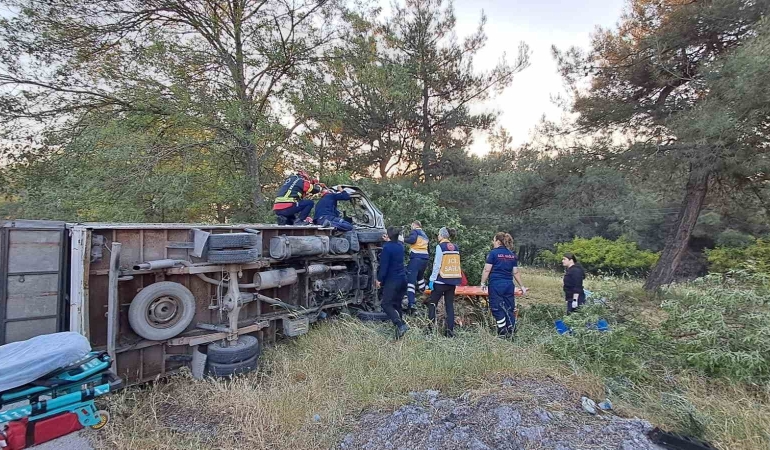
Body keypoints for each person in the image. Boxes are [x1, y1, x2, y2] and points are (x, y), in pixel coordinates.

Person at [480, 233, 527, 336]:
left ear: (498, 241)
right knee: (509, 308)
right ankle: (511, 330)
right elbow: (515, 272)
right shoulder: (512, 255)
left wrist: (482, 283)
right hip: (509, 285)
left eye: (493, 240)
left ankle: (502, 330)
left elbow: (487, 270)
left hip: (496, 284)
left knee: (497, 308)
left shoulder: (493, 254)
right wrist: (522, 286)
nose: (492, 242)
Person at [427, 227, 462, 337]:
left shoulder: (440, 247)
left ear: (442, 235)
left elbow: (437, 264)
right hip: (452, 282)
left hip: (441, 281)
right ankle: (450, 332)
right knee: (449, 307)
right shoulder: (455, 247)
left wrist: (432, 279)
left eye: (438, 234)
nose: (438, 236)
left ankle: (430, 330)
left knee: (432, 304)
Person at [377, 226, 409, 339]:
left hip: (393, 281)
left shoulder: (386, 248)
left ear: (388, 236)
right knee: (397, 304)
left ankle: (400, 325)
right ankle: (401, 329)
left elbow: (384, 267)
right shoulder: (400, 246)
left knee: (385, 304)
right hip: (403, 280)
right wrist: (389, 240)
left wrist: (379, 280)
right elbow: (394, 244)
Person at [403, 220, 430, 314]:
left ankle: (412, 304)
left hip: (416, 259)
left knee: (411, 281)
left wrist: (402, 239)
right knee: (420, 278)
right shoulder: (425, 235)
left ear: (414, 225)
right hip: (425, 259)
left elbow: (412, 240)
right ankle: (428, 297)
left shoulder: (415, 231)